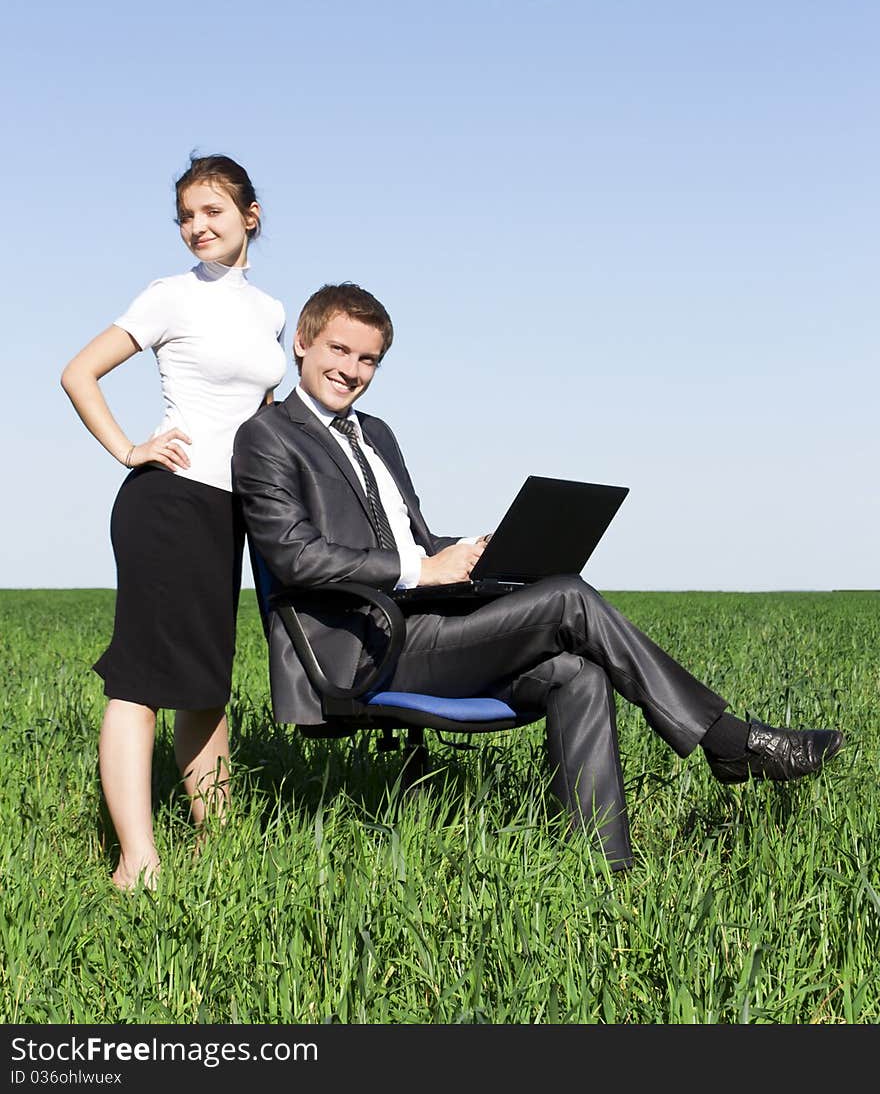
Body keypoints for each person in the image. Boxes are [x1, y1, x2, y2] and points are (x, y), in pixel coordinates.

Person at [231, 282, 845, 872]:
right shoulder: (267, 437)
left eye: (369, 359)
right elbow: (294, 556)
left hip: (423, 624)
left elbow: (407, 538)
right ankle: (731, 742)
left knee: (575, 673)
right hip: (363, 650)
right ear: (303, 345)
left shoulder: (377, 434)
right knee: (567, 600)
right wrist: (424, 567)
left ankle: (604, 867)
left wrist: (466, 551)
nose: (352, 370)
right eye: (340, 349)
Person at [61, 154, 287, 889]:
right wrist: (130, 449)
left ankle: (217, 853)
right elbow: (78, 372)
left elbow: (256, 414)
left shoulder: (270, 312)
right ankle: (137, 860)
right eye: (187, 215)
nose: (198, 227)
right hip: (168, 501)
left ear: (250, 215)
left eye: (213, 211)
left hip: (228, 512)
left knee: (204, 684)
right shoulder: (169, 296)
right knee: (139, 683)